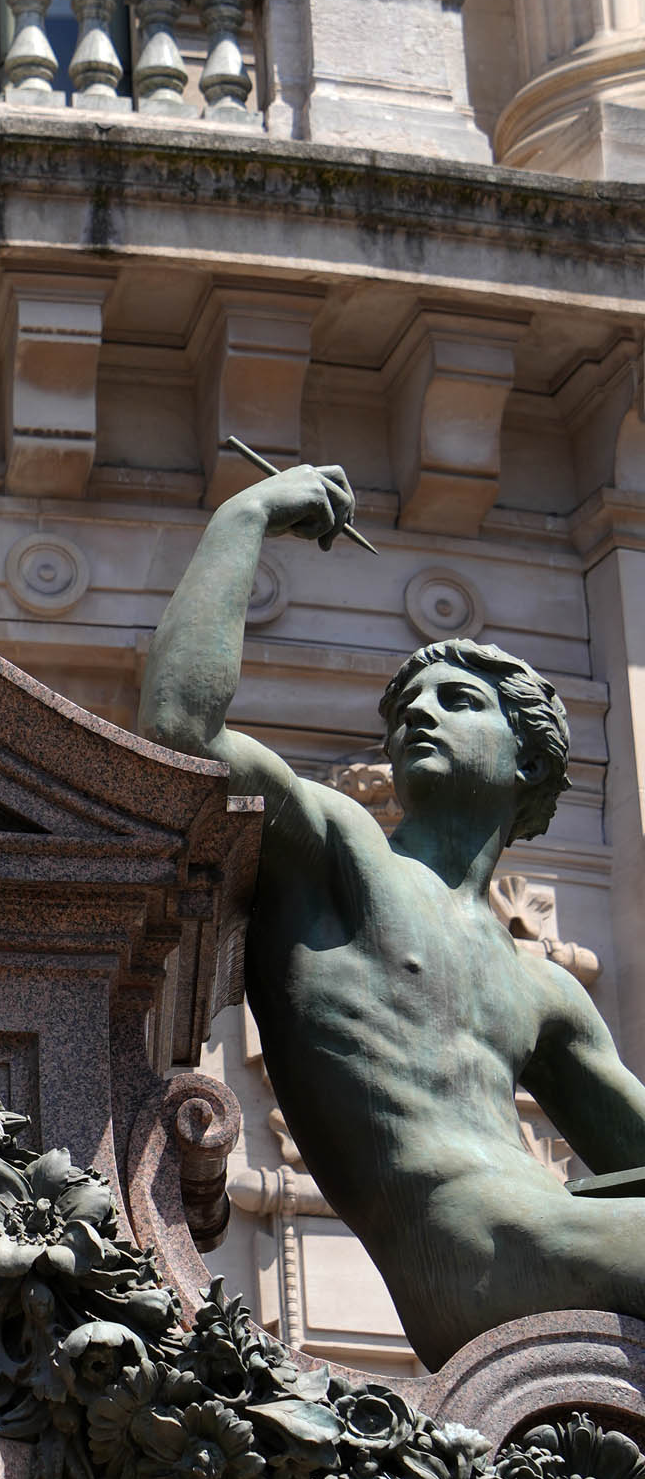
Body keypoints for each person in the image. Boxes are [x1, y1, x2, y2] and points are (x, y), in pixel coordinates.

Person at [139, 461, 645, 1368]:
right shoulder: (342, 852)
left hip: (552, 1230)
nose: (420, 715)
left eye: (458, 701)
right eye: (408, 705)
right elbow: (182, 731)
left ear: (528, 761)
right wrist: (247, 516)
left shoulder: (545, 992)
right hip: (477, 1252)